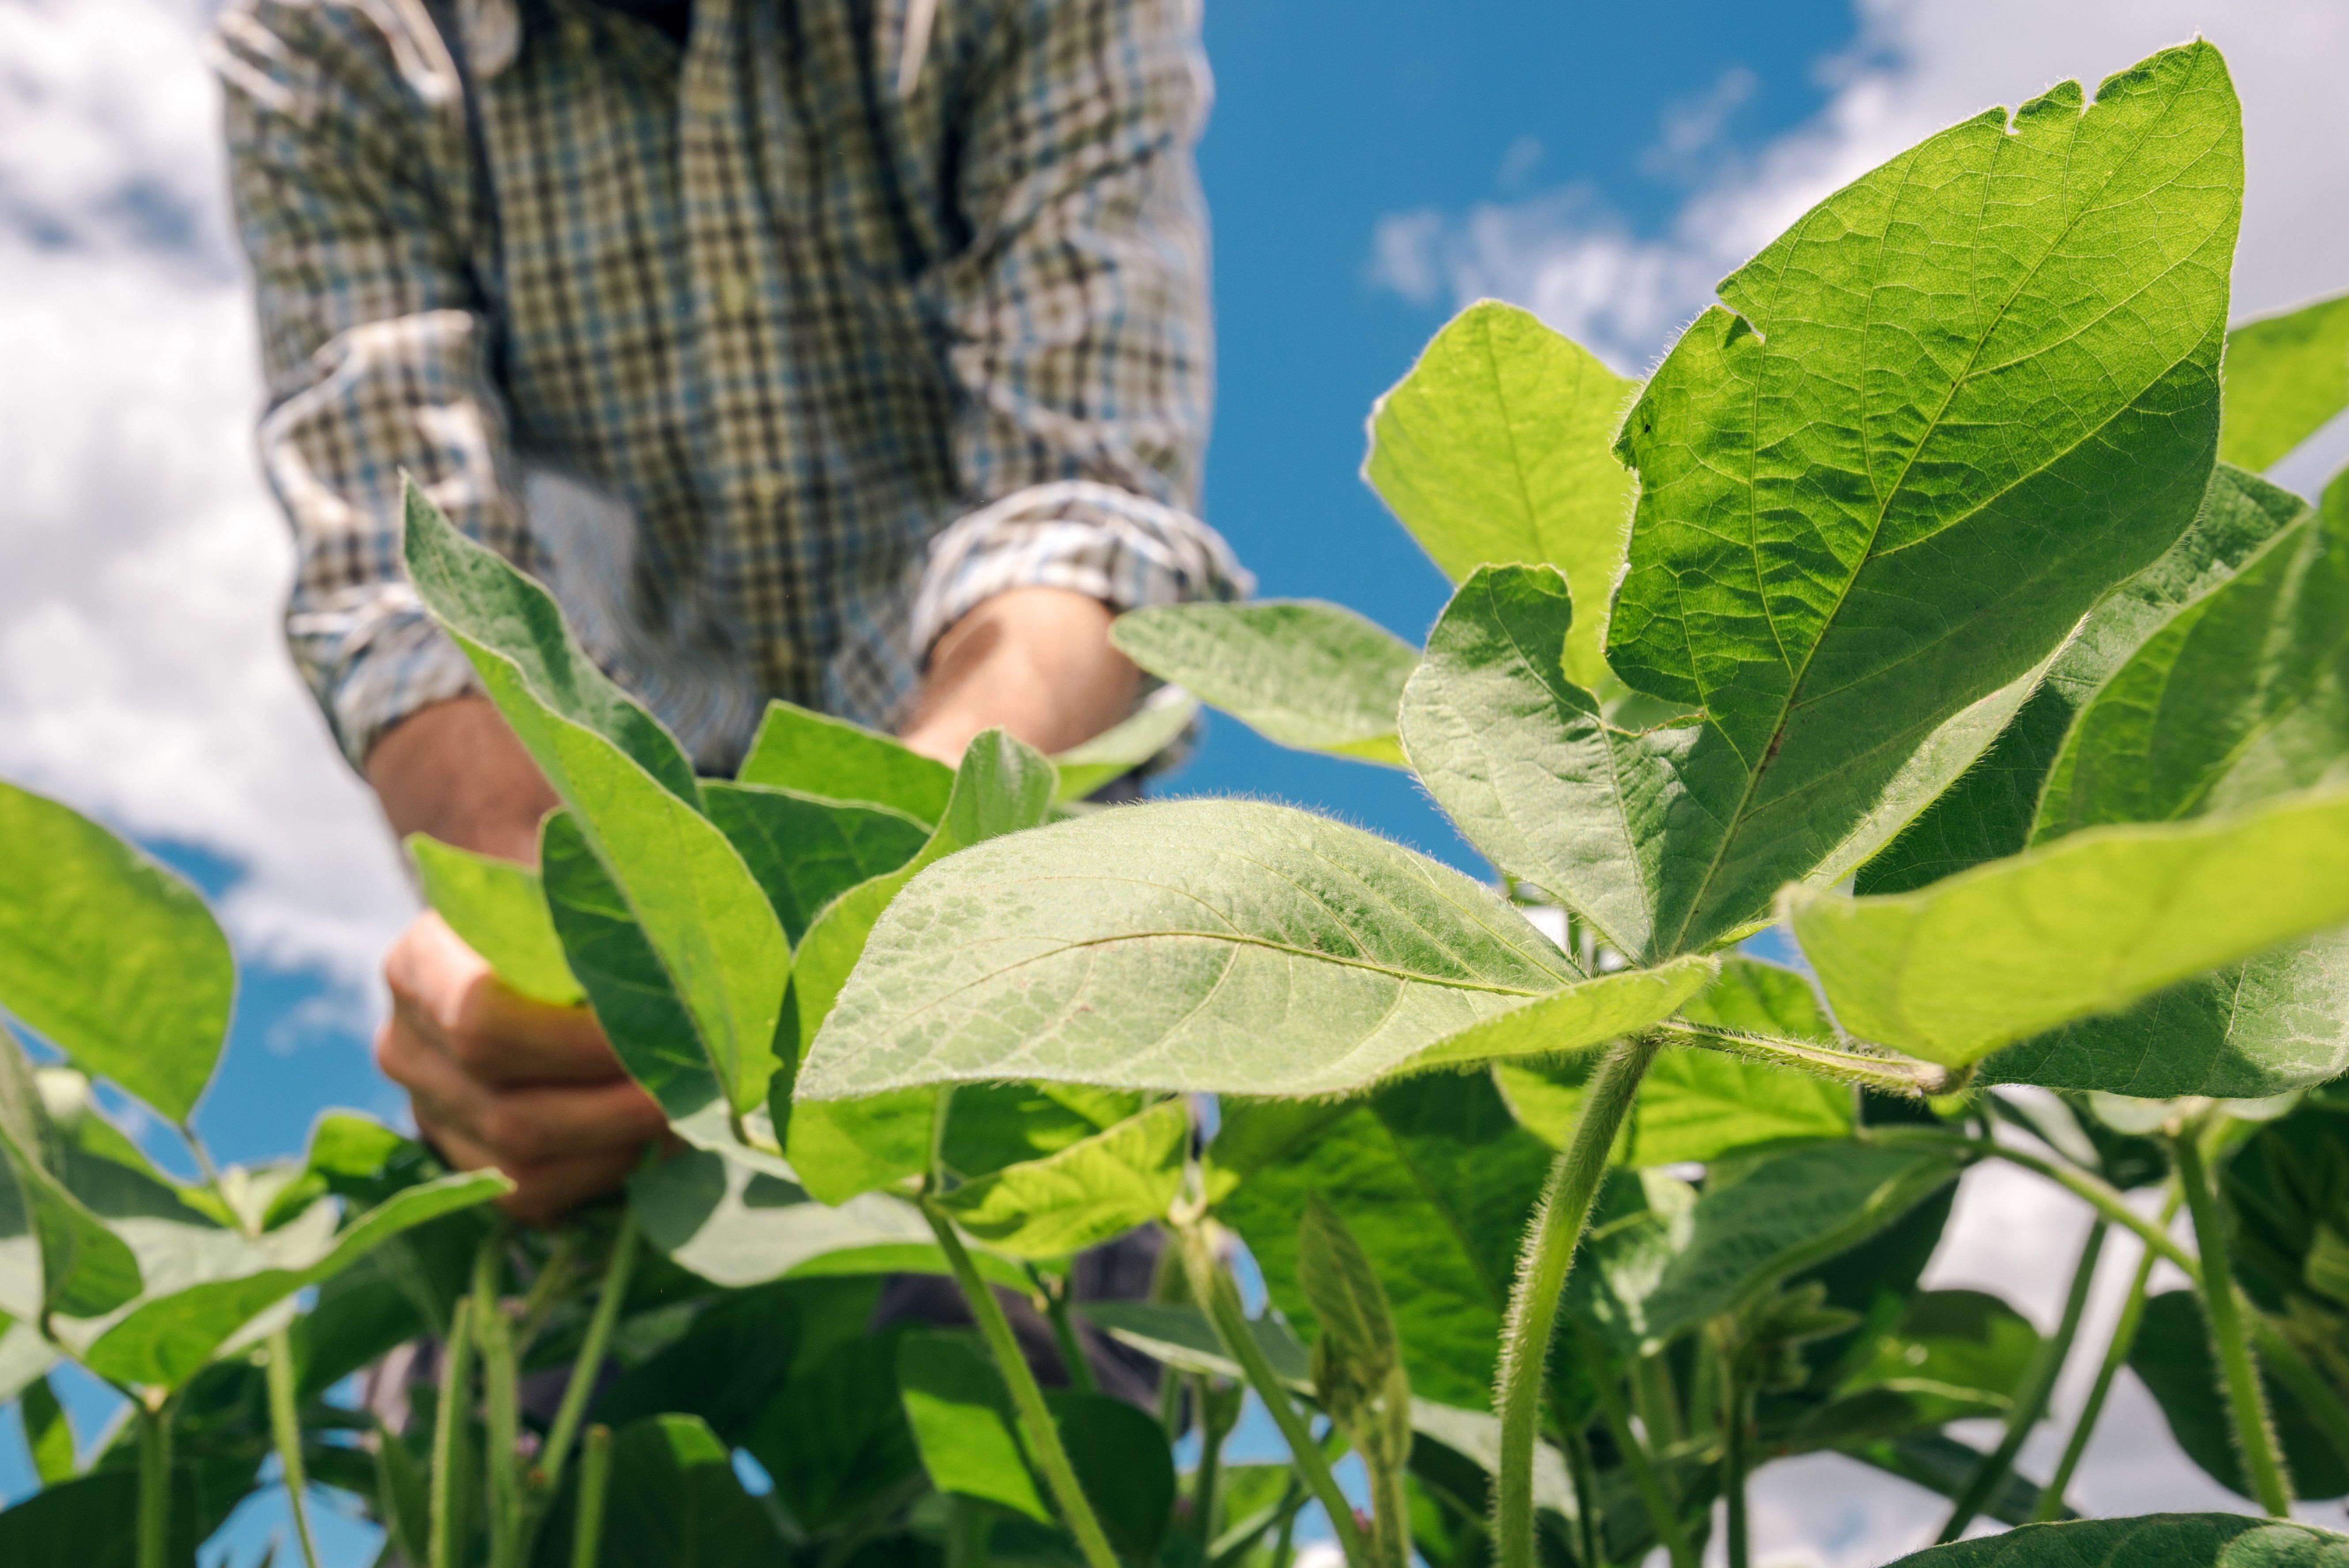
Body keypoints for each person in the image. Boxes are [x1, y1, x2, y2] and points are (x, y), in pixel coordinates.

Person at [213, 0, 1246, 1224]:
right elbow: (411, 589)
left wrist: (855, 912)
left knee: (1058, 1357)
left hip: (992, 928)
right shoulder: (337, 29)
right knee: (495, 1392)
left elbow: (1079, 507)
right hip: (621, 941)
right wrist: (552, 951)